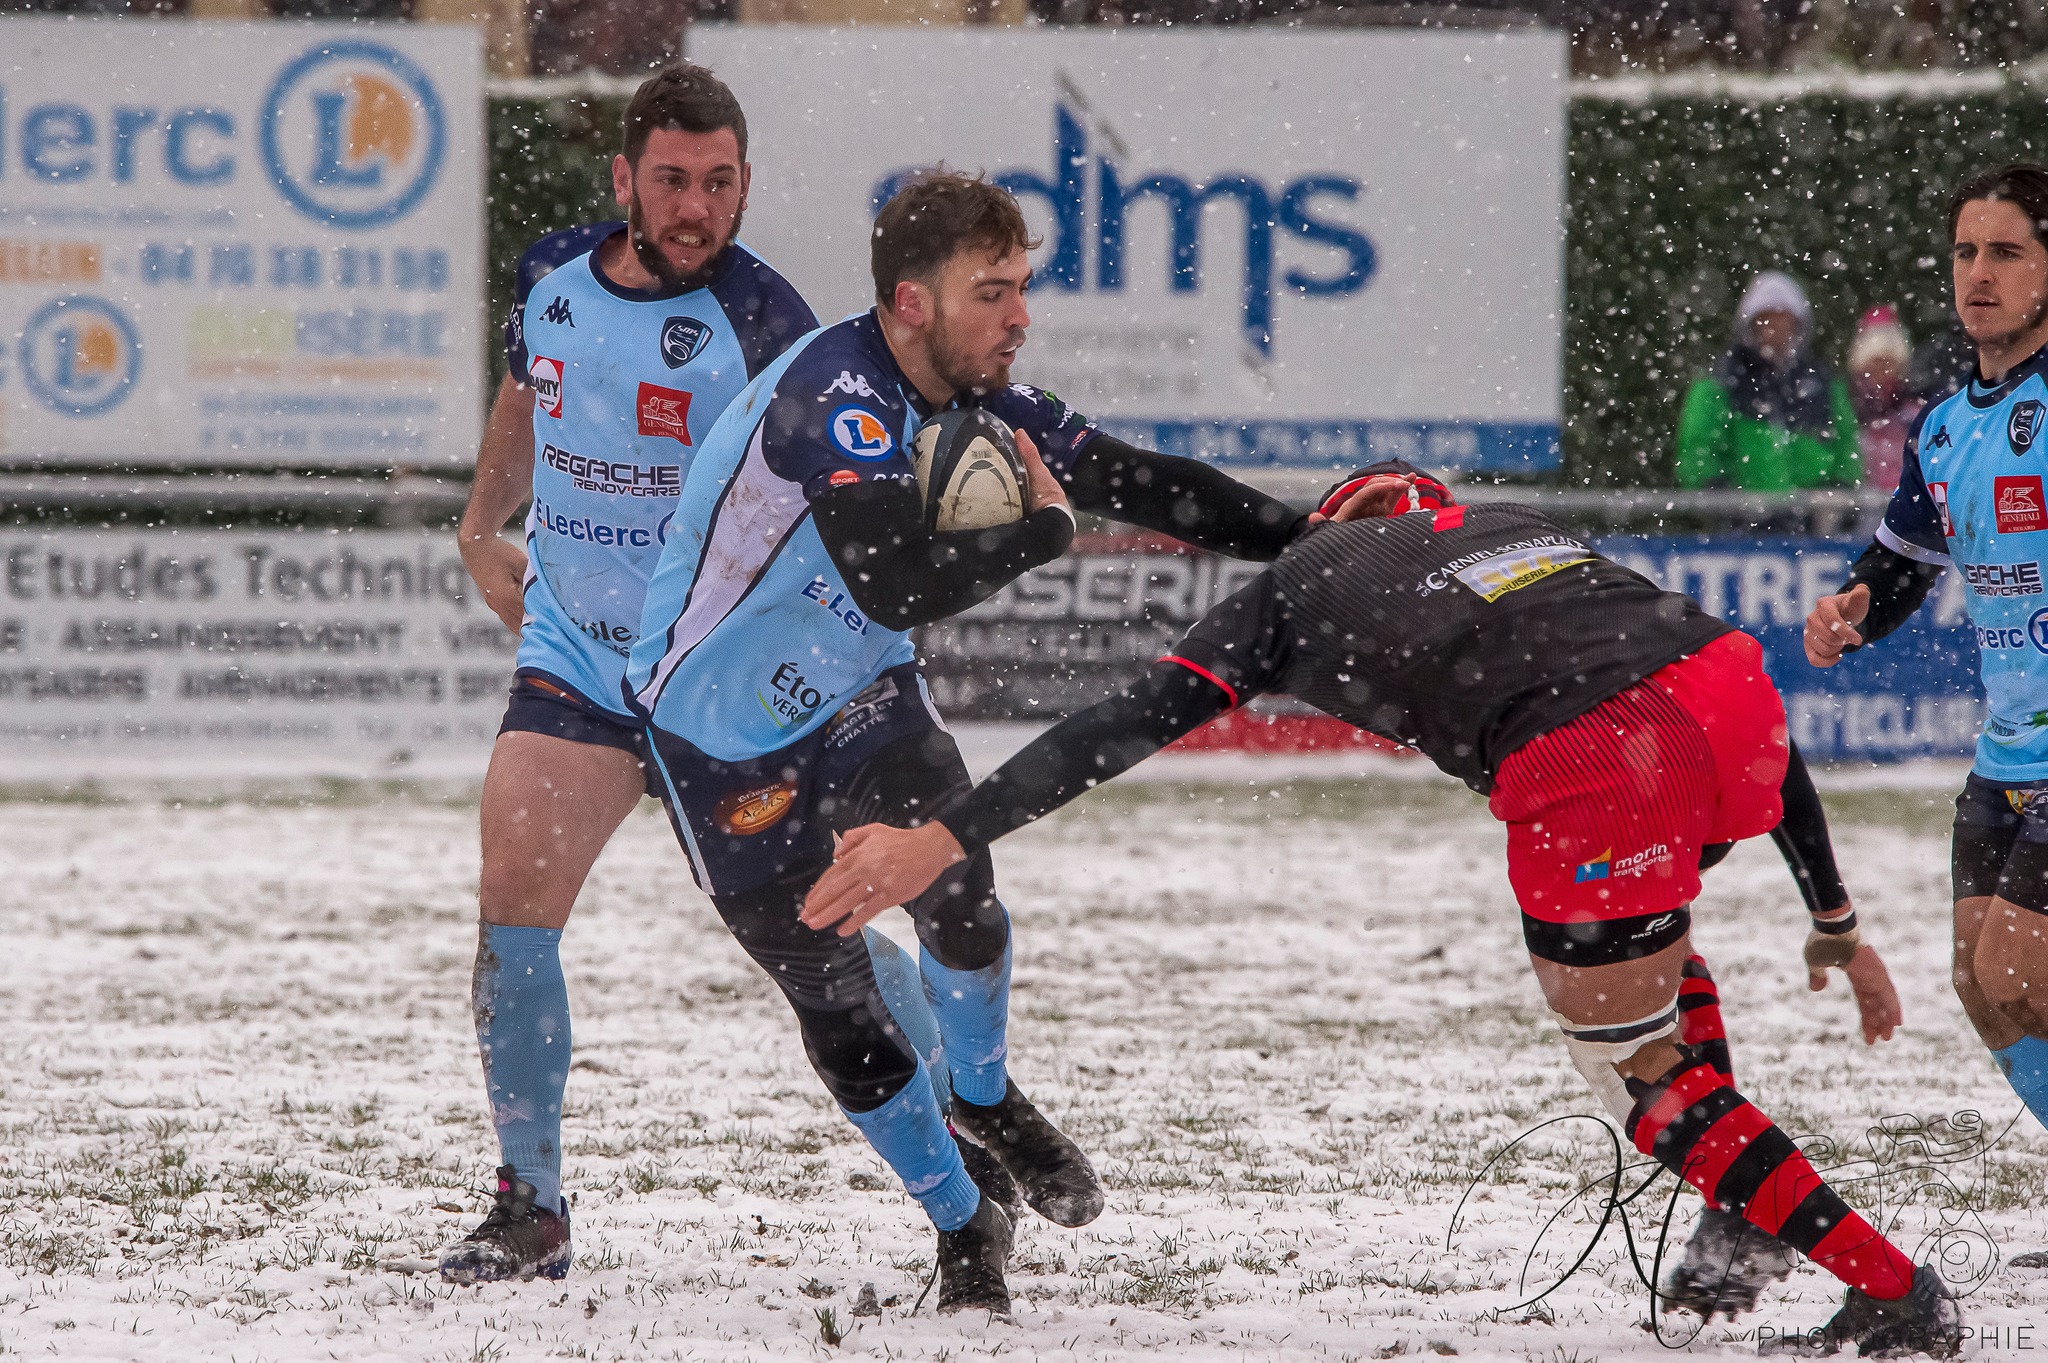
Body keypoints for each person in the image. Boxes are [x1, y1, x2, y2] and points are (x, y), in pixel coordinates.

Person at [809, 463, 1963, 1356]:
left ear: (1329, 522)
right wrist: (1833, 917)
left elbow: (1113, 727)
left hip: (1594, 748)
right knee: (1652, 950)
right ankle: (1747, 1208)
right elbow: (1711, 703)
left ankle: (1892, 1289)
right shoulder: (1513, 525)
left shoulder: (1294, 584)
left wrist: (945, 834)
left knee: (1634, 1070)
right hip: (1728, 690)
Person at [620, 170, 1312, 1316]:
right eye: (992, 292)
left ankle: (984, 1093)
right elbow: (892, 582)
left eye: (1021, 287)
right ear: (911, 301)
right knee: (839, 1009)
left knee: (959, 890)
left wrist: (1309, 533)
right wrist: (1042, 534)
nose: (1019, 316)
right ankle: (961, 1217)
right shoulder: (833, 394)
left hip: (860, 690)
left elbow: (1144, 483)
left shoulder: (983, 397)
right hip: (716, 733)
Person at [443, 64, 819, 1284]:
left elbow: (821, 509)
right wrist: (479, 526)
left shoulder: (772, 324)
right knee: (513, 889)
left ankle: (965, 1122)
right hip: (576, 656)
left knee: (818, 936)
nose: (694, 206)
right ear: (623, 180)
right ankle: (530, 1205)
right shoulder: (550, 274)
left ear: (745, 185)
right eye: (670, 180)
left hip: (716, 676)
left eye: (718, 183)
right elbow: (527, 397)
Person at [1805, 163, 2048, 1270]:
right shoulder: (1946, 428)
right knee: (1979, 985)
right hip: (2005, 752)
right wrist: (1856, 605)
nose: (1978, 274)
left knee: (2019, 968)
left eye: (2006, 252)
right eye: (1964, 252)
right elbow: (1902, 562)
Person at [1675, 271, 1861, 491]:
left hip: (1810, 511)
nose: (1775, 329)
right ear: (1751, 325)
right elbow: (1697, 452)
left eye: (1783, 320)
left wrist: (1837, 492)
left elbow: (1848, 450)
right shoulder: (1719, 384)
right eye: (1767, 320)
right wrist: (1723, 497)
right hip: (1739, 511)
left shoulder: (1823, 385)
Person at [1848, 305, 1924, 492]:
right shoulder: (1848, 410)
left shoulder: (1914, 416)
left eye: (1888, 364)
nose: (1882, 372)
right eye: (1875, 364)